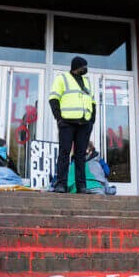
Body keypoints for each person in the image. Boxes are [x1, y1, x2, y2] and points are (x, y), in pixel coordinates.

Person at [48, 56, 96, 193]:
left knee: (80, 155)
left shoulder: (86, 82)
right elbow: (53, 99)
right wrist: (59, 119)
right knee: (64, 153)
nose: (85, 70)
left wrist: (92, 120)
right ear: (76, 67)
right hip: (67, 123)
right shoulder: (62, 79)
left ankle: (81, 186)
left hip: (84, 124)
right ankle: (61, 184)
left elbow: (93, 102)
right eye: (83, 67)